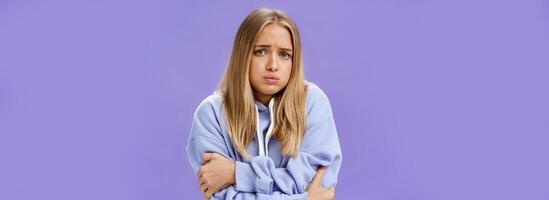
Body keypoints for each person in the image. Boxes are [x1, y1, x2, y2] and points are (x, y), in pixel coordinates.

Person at [186, 7, 342, 200]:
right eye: (261, 52)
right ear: (243, 56)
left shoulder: (313, 103)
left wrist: (236, 173)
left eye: (284, 54)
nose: (273, 65)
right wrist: (305, 198)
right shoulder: (210, 115)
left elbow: (319, 182)